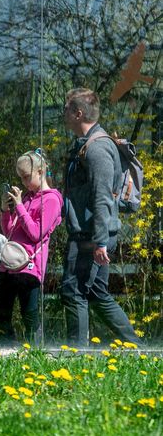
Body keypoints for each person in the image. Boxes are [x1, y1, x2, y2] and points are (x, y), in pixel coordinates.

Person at [61, 88, 142, 347]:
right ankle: (136, 350)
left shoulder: (98, 148)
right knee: (96, 293)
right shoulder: (86, 145)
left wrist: (99, 242)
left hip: (92, 237)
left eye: (66, 108)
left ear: (78, 113)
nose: (63, 113)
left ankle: (75, 356)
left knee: (73, 291)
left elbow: (103, 197)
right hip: (94, 235)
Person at [0, 150, 63, 345]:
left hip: (30, 266)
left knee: (29, 315)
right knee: (2, 314)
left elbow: (35, 233)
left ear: (40, 172)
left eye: (26, 177)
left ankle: (35, 352)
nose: (24, 182)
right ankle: (6, 349)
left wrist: (20, 207)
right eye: (21, 178)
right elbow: (9, 231)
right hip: (9, 264)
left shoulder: (51, 200)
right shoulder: (26, 198)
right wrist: (5, 209)